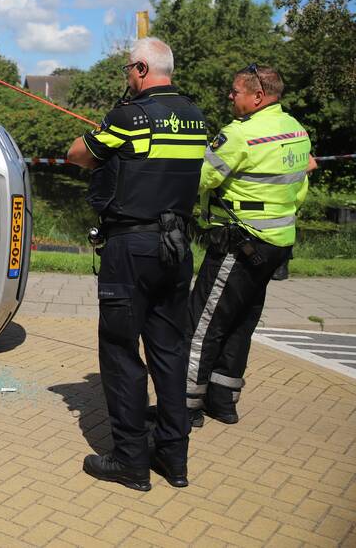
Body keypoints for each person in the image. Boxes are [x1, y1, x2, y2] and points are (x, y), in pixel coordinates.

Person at [66, 38, 207, 491]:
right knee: (169, 353)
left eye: (130, 67)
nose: (127, 74)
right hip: (178, 248)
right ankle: (173, 456)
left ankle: (129, 459)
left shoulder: (128, 117)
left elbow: (78, 155)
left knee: (121, 352)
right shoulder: (197, 117)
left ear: (143, 68)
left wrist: (102, 136)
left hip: (133, 249)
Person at [186, 65, 310, 427]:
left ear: (258, 97)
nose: (230, 96)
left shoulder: (240, 135)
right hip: (276, 246)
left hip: (239, 245)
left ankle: (186, 404)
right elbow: (298, 190)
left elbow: (202, 176)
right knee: (241, 321)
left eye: (235, 91)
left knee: (203, 323)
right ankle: (223, 401)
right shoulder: (296, 132)